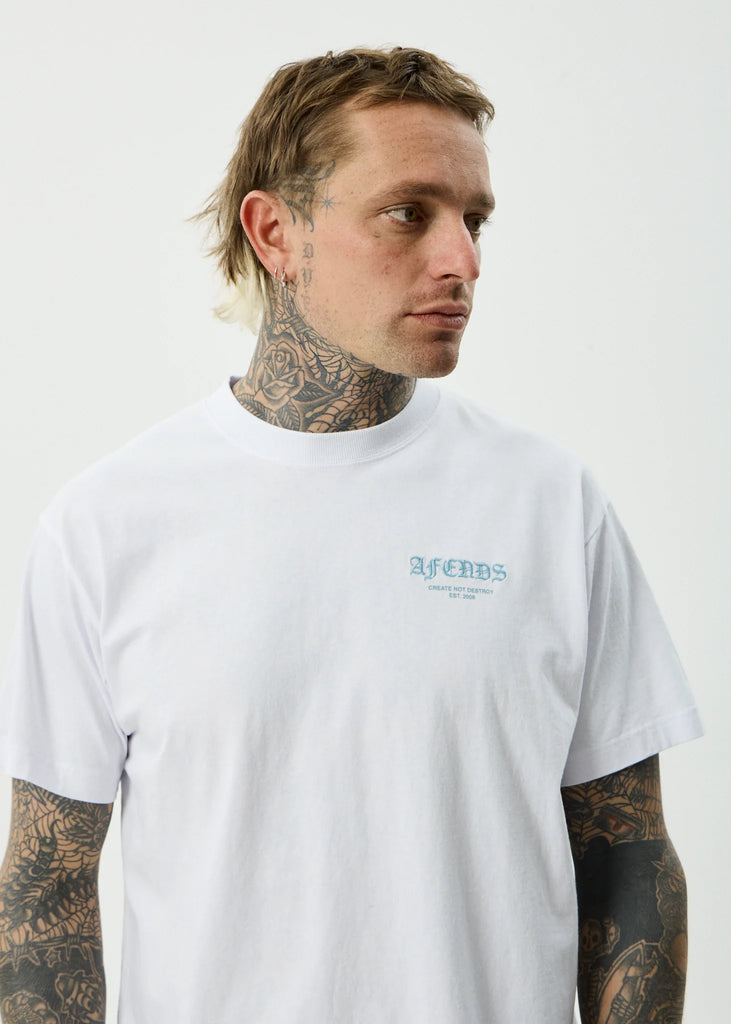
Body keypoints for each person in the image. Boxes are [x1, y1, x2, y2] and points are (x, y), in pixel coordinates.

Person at [0, 46, 703, 1024]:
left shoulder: (549, 506)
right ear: (275, 232)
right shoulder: (106, 527)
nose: (461, 261)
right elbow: (47, 890)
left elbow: (627, 861)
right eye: (408, 213)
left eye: (473, 220)